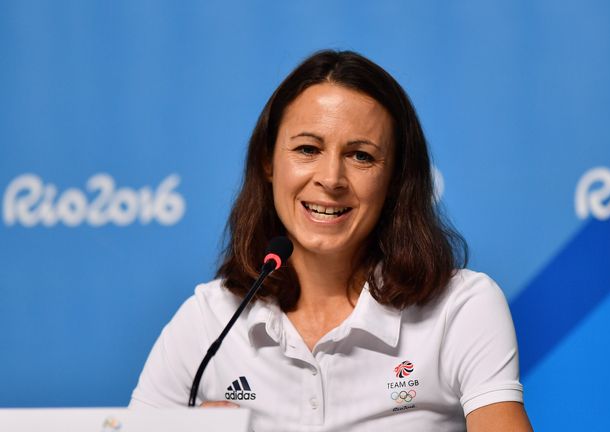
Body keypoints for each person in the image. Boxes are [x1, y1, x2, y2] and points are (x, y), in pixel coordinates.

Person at [130, 50, 532, 431]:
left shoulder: (461, 306)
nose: (331, 179)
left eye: (360, 156)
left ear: (394, 180)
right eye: (308, 149)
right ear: (269, 162)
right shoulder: (208, 319)